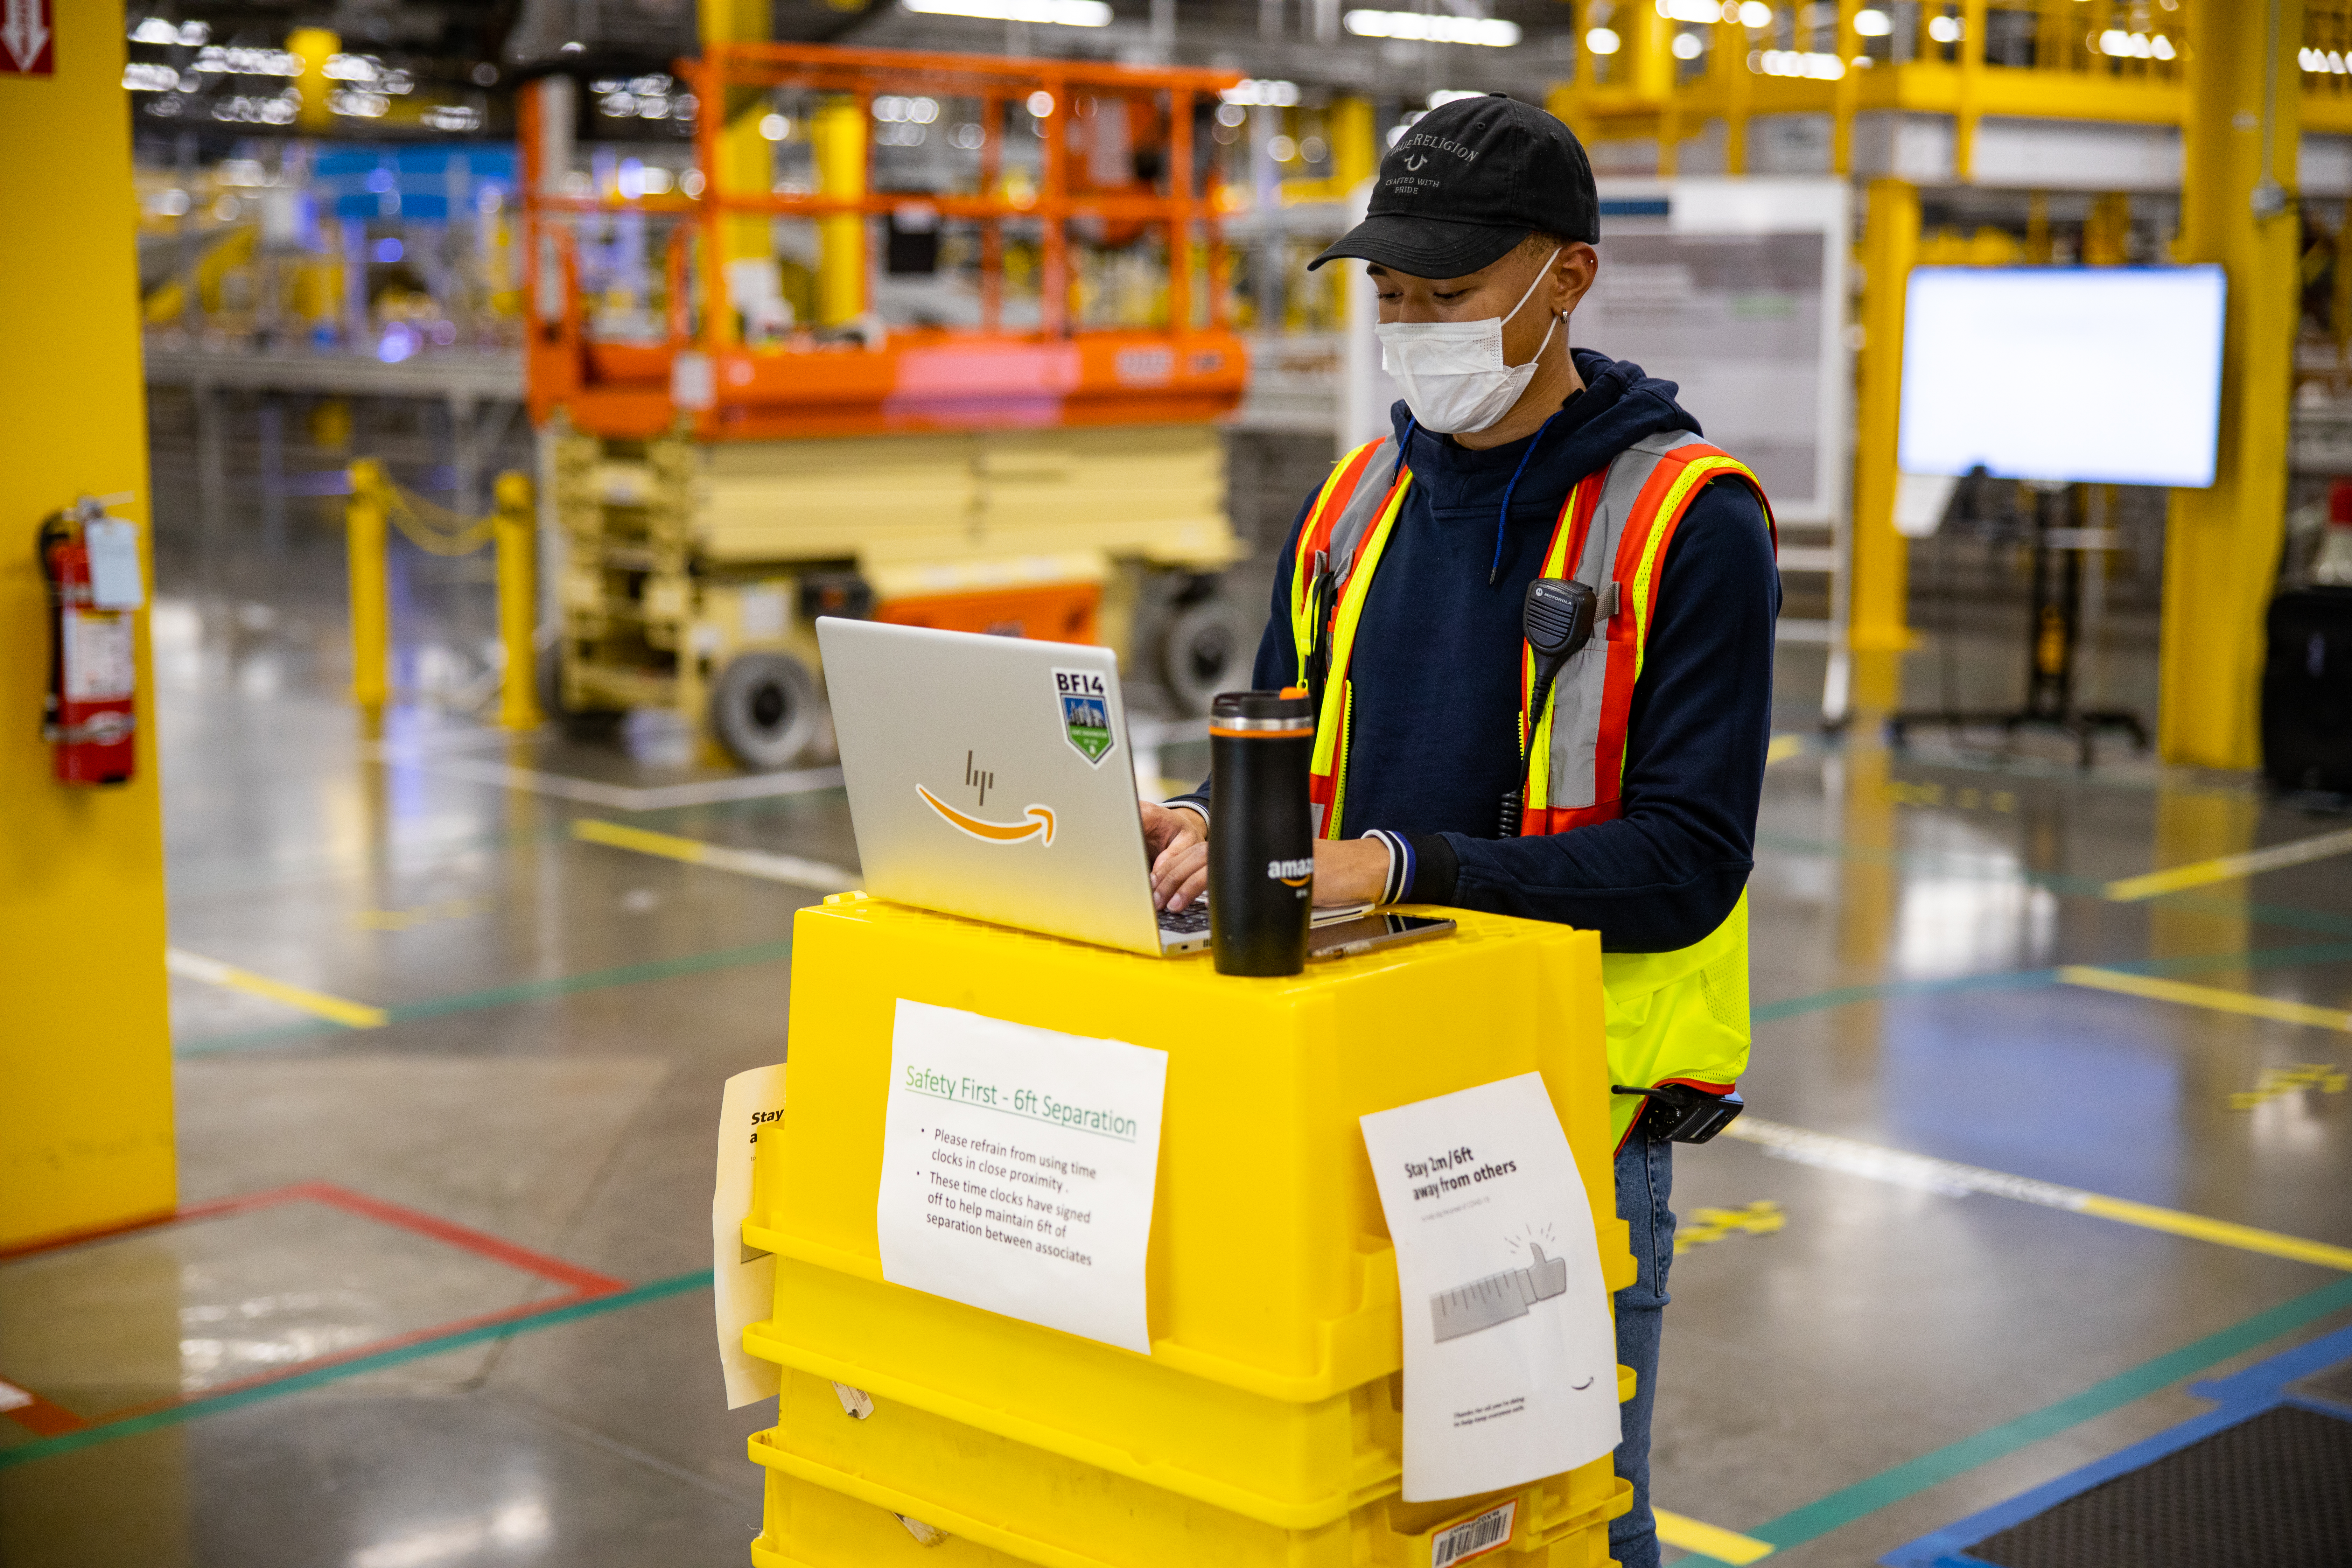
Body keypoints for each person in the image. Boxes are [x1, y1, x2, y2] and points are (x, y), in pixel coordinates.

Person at [1138, 93, 1779, 1568]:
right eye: (1392, 293)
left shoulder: (1690, 520)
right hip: (1348, 1094)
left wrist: (1409, 865)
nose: (1412, 323)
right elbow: (1295, 757)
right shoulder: (1356, 501)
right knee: (1371, 1523)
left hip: (1564, 1132)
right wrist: (1203, 813)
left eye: (1450, 293)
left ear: (1569, 277)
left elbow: (1689, 862)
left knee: (1557, 1529)